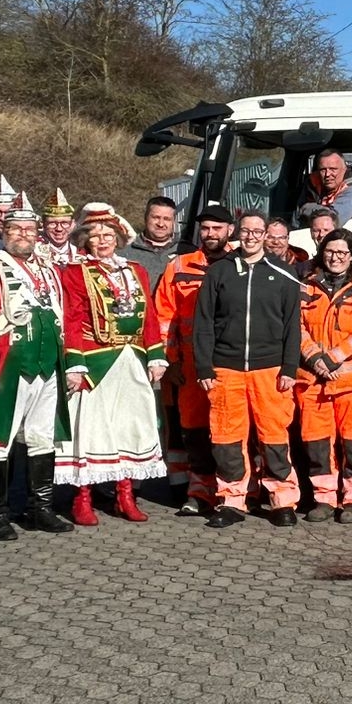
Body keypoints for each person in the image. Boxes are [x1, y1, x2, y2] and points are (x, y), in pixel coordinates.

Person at [0, 191, 72, 536]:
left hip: (46, 364)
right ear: (3, 231)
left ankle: (38, 508)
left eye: (29, 230)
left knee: (42, 437)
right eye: (16, 229)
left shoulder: (48, 268)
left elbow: (62, 317)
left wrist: (69, 362)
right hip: (7, 364)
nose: (23, 235)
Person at [56, 203, 169, 525]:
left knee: (129, 427)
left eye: (108, 234)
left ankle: (125, 495)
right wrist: (74, 364)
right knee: (91, 431)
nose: (103, 241)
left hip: (131, 359)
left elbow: (148, 314)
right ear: (85, 240)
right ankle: (83, 499)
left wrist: (155, 354)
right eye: (96, 236)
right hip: (95, 361)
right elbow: (73, 318)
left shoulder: (136, 270)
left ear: (119, 237)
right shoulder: (75, 272)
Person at [194, 210, 304, 528]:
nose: (251, 236)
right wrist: (204, 367)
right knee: (227, 437)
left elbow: (292, 326)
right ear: (236, 233)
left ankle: (282, 500)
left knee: (274, 436)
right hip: (225, 368)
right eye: (245, 231)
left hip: (270, 369)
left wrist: (289, 367)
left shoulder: (283, 273)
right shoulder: (219, 272)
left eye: (257, 231)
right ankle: (232, 500)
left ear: (266, 235)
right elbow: (203, 323)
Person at [296, 231, 352, 523]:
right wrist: (313, 357)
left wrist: (332, 358)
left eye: (342, 252)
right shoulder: (307, 288)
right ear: (322, 253)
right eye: (330, 252)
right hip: (313, 381)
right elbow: (297, 326)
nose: (335, 258)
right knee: (317, 443)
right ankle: (323, 498)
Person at [150, 204, 235, 515]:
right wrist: (168, 361)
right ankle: (199, 492)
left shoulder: (241, 265)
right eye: (206, 228)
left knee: (230, 431)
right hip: (188, 367)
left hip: (230, 364)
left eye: (217, 228)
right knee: (195, 431)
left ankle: (233, 493)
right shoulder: (180, 266)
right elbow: (164, 317)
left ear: (230, 231)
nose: (210, 234)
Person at [124, 196, 184, 280]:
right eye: (156, 217)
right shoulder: (125, 254)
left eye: (167, 219)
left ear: (174, 221)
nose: (161, 224)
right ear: (146, 218)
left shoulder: (186, 250)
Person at [297, 148, 352, 226]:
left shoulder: (351, 186)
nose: (327, 174)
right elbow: (297, 216)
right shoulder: (312, 181)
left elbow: (333, 220)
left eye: (333, 169)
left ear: (344, 169)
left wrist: (307, 207)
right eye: (323, 170)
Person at [39, 189, 80, 267]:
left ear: (73, 224)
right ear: (43, 224)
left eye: (64, 223)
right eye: (52, 223)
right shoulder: (33, 252)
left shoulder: (82, 252)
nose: (59, 229)